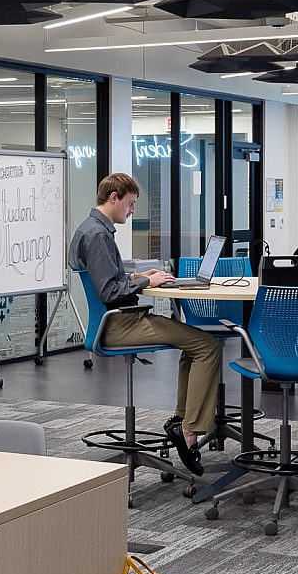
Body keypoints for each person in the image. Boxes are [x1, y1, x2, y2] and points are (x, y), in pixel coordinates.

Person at [69, 172, 224, 476]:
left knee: (193, 345)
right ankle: (190, 430)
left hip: (114, 321)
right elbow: (109, 292)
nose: (132, 210)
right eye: (130, 204)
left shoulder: (91, 229)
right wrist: (143, 280)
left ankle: (182, 421)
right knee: (207, 346)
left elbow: (109, 281)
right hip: (119, 325)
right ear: (113, 198)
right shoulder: (98, 235)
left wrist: (140, 277)